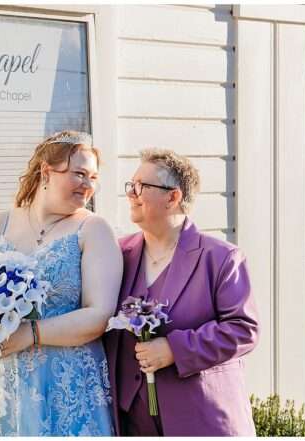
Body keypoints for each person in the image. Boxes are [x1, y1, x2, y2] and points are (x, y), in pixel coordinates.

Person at [0, 130, 123, 436]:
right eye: (79, 174)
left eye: (94, 177)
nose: (89, 185)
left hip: (63, 382)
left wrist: (31, 334)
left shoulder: (93, 229)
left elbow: (99, 313)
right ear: (47, 171)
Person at [104, 148, 258, 436]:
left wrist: (176, 349)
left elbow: (243, 329)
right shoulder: (118, 254)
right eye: (131, 185)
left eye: (141, 186)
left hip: (200, 418)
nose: (131, 193)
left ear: (172, 197)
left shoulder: (221, 258)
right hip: (131, 422)